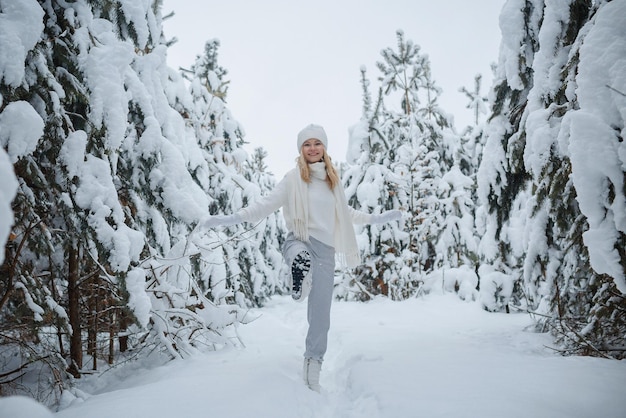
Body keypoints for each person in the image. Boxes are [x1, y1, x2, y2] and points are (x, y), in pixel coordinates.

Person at [198, 123, 402, 392]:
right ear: (301, 149)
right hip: (300, 240)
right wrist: (230, 219)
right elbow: (264, 205)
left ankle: (313, 365)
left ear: (324, 148)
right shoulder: (292, 179)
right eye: (307, 144)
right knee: (298, 254)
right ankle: (300, 275)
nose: (313, 148)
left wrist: (377, 218)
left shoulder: (333, 182)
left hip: (326, 253)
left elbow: (347, 212)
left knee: (320, 318)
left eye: (317, 143)